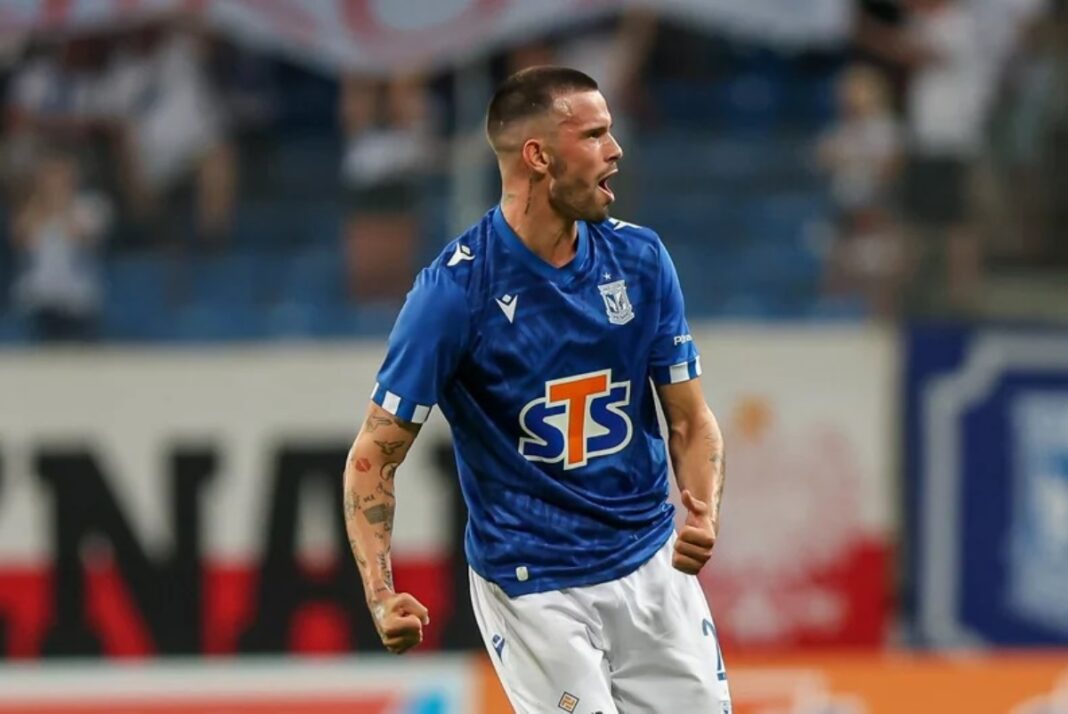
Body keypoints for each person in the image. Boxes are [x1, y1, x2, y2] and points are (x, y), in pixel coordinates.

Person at [342, 66, 730, 712]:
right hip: (535, 589)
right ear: (539, 156)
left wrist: (706, 509)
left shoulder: (640, 261)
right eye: (595, 135)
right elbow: (372, 458)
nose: (615, 150)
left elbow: (690, 420)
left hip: (653, 565)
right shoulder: (453, 295)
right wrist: (380, 593)